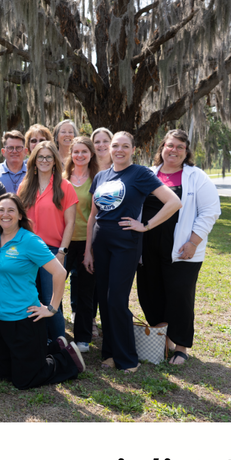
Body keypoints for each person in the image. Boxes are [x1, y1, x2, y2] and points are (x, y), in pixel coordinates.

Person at [84, 131, 182, 373]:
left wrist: (145, 225)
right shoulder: (101, 176)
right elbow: (93, 216)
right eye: (115, 145)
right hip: (101, 243)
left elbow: (173, 202)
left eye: (124, 146)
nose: (119, 150)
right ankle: (110, 353)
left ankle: (128, 358)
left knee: (117, 300)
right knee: (105, 302)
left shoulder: (140, 173)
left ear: (133, 149)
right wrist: (88, 250)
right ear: (108, 149)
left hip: (125, 244)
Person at [137, 129, 221, 365]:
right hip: (147, 246)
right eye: (170, 145)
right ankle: (162, 339)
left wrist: (194, 242)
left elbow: (210, 212)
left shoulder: (196, 177)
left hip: (182, 248)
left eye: (180, 147)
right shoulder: (148, 174)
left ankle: (181, 346)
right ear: (162, 147)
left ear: (186, 152)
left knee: (180, 296)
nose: (173, 150)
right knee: (150, 293)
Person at [0, 194, 86, 389]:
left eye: (11, 210)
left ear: (20, 215)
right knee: (1, 374)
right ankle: (51, 347)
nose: (5, 214)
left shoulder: (30, 241)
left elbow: (59, 272)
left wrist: (52, 308)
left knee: (24, 380)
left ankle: (66, 360)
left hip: (23, 319)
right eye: (1, 210)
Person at [17, 141, 77, 341]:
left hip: (52, 251)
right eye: (40, 157)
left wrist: (62, 251)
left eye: (48, 157)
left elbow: (70, 223)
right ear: (34, 161)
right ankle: (39, 344)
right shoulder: (25, 186)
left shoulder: (65, 186)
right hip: (26, 251)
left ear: (54, 161)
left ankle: (61, 349)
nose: (44, 160)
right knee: (29, 299)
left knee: (52, 301)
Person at [63, 135, 100, 353]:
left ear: (91, 154)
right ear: (71, 154)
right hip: (63, 242)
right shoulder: (62, 178)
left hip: (87, 242)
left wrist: (89, 252)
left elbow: (94, 216)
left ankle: (83, 338)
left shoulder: (97, 179)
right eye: (76, 151)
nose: (79, 155)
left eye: (84, 152)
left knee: (86, 292)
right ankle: (55, 333)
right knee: (54, 288)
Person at [0, 130, 28, 194]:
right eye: (10, 148)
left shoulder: (33, 172)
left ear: (25, 151)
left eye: (18, 147)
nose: (14, 151)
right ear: (3, 152)